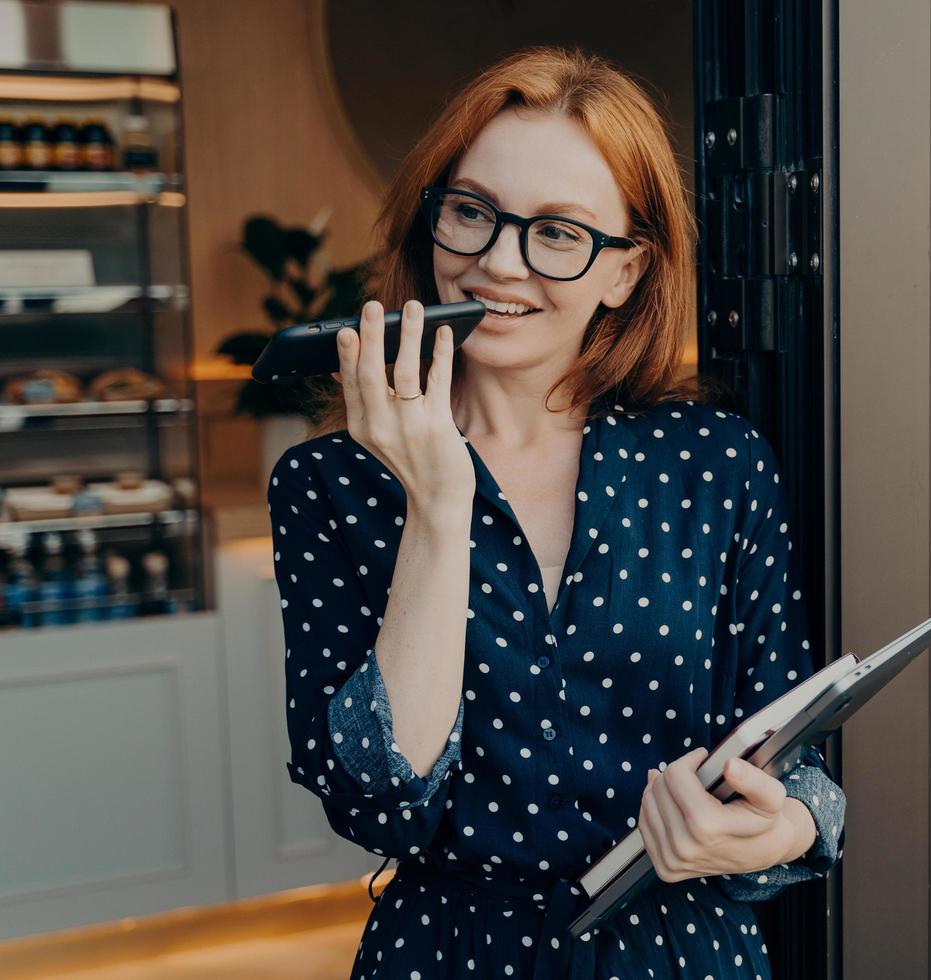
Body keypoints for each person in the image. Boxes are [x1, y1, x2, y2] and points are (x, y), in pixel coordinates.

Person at [266, 46, 845, 979]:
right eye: (472, 213)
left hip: (683, 952)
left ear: (625, 272)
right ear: (431, 221)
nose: (498, 263)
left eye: (559, 233)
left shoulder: (714, 461)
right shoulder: (329, 484)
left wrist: (779, 830)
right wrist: (438, 503)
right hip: (449, 955)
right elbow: (381, 803)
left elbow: (796, 761)